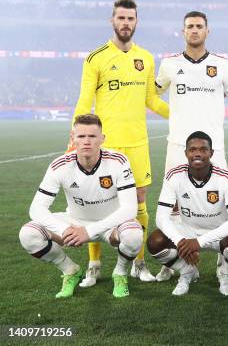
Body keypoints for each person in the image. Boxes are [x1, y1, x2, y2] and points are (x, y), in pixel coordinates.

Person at [72, 0, 169, 286]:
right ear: (112, 21)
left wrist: (182, 115)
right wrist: (76, 135)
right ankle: (94, 264)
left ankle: (138, 263)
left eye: (130, 19)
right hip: (107, 145)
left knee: (140, 202)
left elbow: (152, 100)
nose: (126, 23)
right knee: (97, 203)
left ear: (136, 22)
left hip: (138, 143)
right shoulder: (96, 58)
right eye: (121, 18)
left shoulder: (147, 58)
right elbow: (84, 100)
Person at [154, 11, 228, 281]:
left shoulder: (222, 65)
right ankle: (175, 260)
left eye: (199, 26)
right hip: (178, 144)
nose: (194, 30)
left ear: (207, 31)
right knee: (174, 207)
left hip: (213, 148)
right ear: (183, 32)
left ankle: (222, 258)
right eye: (190, 26)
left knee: (223, 203)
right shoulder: (168, 64)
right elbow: (153, 94)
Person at [19, 114, 142, 298]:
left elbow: (130, 209)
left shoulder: (118, 161)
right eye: (81, 136)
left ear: (102, 139)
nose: (86, 141)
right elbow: (36, 208)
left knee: (134, 234)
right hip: (75, 222)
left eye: (92, 136)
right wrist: (66, 229)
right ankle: (70, 270)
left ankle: (120, 273)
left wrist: (89, 231)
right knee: (28, 234)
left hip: (111, 224)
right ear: (72, 138)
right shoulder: (59, 166)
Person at [147, 131, 228, 296]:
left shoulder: (226, 177)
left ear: (211, 153)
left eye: (203, 149)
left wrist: (199, 242)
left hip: (218, 233)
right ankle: (187, 271)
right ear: (186, 153)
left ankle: (224, 272)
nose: (197, 153)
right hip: (187, 231)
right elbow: (161, 217)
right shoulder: (174, 175)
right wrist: (180, 241)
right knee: (155, 242)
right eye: (192, 150)